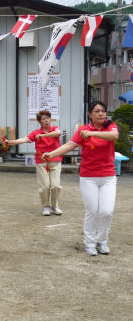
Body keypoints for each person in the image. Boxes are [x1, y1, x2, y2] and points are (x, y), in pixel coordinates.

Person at [42, 101, 119, 256]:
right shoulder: (82, 130)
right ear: (90, 114)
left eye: (103, 111)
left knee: (107, 211)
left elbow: (114, 136)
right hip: (88, 177)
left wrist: (92, 134)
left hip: (108, 176)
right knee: (92, 210)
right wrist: (52, 154)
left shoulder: (111, 126)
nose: (101, 114)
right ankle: (89, 243)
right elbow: (69, 145)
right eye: (97, 111)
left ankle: (102, 240)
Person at [5, 110, 63, 216]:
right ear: (39, 122)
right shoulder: (36, 133)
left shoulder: (55, 129)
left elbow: (58, 133)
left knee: (55, 185)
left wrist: (44, 136)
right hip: (41, 161)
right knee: (45, 186)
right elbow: (25, 139)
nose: (46, 120)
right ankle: (45, 206)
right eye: (44, 119)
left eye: (48, 118)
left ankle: (54, 206)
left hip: (55, 160)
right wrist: (10, 142)